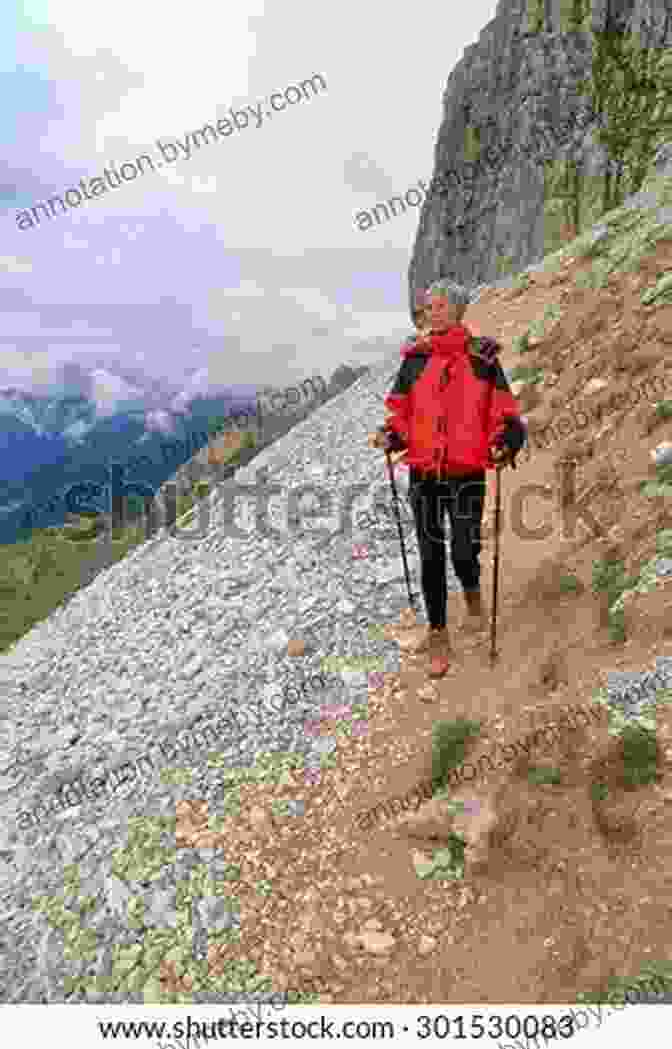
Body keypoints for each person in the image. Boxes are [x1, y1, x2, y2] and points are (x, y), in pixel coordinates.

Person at [369, 279, 527, 678]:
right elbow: (401, 414)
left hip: (467, 471)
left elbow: (505, 414)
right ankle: (439, 634)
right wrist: (392, 435)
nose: (430, 313)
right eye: (426, 307)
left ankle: (472, 589)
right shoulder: (415, 359)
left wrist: (507, 441)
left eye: (438, 306)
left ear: (458, 310)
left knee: (462, 549)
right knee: (430, 554)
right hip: (423, 472)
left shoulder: (482, 359)